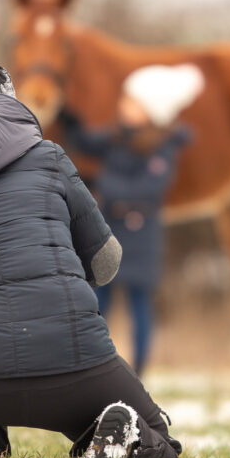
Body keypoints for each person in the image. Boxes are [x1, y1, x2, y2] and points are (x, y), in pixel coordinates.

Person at [0, 36, 181, 458]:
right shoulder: (50, 158)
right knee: (158, 439)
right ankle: (111, 431)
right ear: (10, 99)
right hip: (78, 367)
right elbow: (106, 264)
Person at [58, 64, 203, 376]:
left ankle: (139, 369)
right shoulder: (116, 137)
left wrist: (101, 186)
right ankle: (93, 362)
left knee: (139, 307)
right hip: (107, 235)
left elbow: (148, 190)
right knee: (98, 304)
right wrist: (67, 117)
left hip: (140, 240)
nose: (123, 106)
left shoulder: (162, 148)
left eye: (132, 102)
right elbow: (85, 142)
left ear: (151, 111)